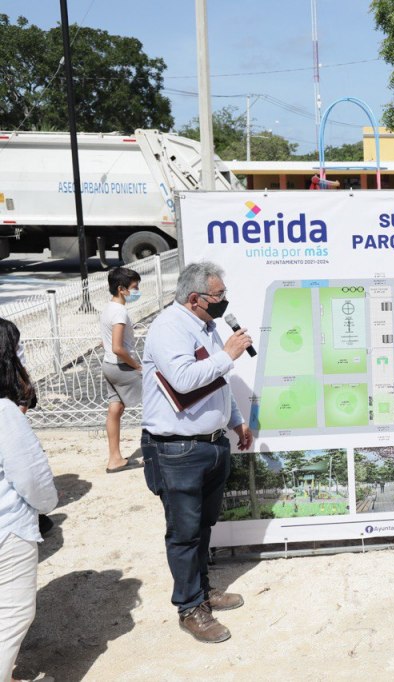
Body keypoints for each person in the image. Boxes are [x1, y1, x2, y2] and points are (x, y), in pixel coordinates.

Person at [140, 261, 254, 643]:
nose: (224, 301)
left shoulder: (205, 326)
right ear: (194, 298)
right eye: (218, 296)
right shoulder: (169, 328)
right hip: (178, 450)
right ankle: (189, 608)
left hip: (211, 444)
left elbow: (217, 381)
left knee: (203, 526)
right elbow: (184, 379)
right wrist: (229, 354)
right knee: (184, 533)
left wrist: (235, 419)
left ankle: (202, 591)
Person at [0, 319, 58, 681]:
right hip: (7, 529)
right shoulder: (4, 413)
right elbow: (31, 478)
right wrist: (47, 504)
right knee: (13, 614)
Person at [100, 266, 144, 474]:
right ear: (121, 289)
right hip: (121, 367)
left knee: (115, 409)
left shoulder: (108, 308)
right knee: (157, 398)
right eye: (134, 287)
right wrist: (137, 366)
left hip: (108, 365)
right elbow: (118, 348)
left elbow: (107, 343)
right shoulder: (119, 312)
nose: (137, 291)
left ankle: (115, 459)